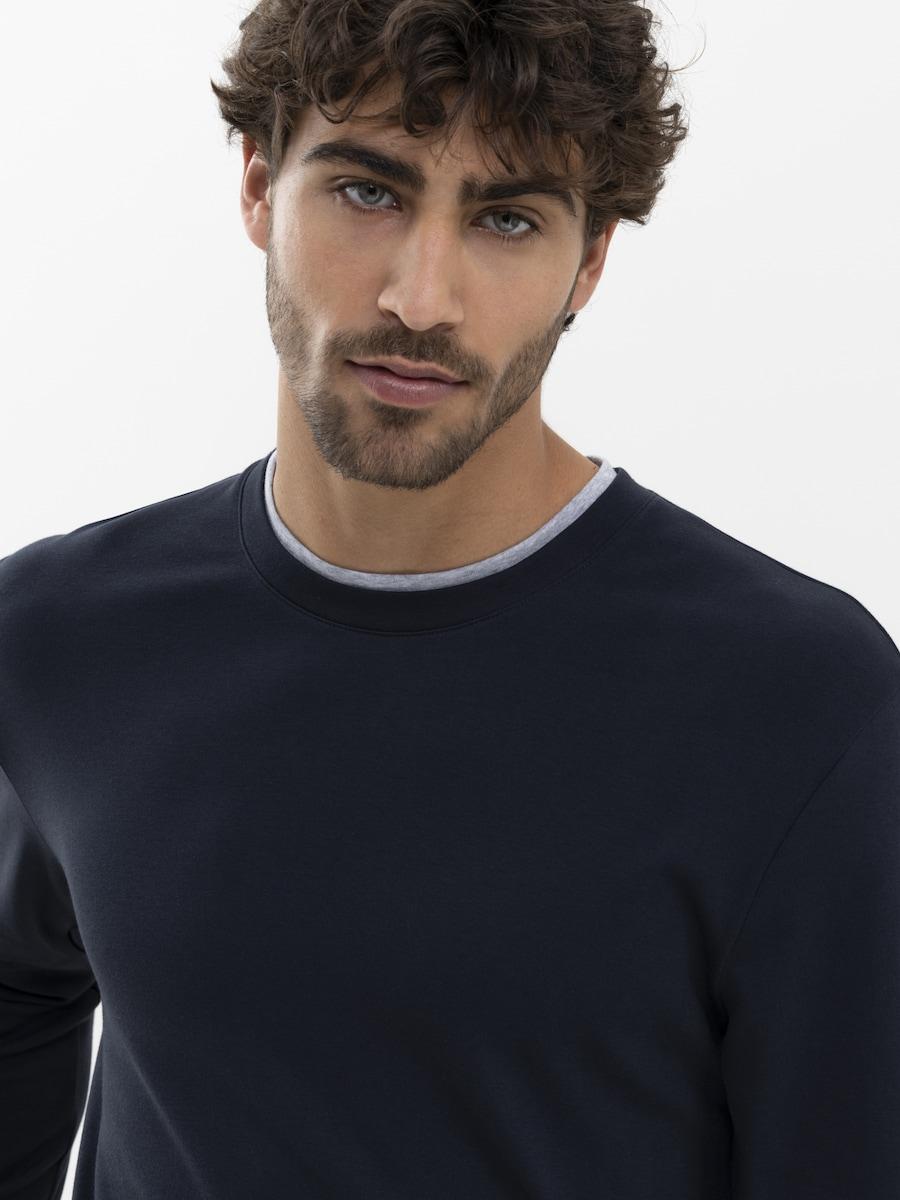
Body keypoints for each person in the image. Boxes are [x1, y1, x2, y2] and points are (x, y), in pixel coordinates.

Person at [1, 1, 898, 1197]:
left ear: (589, 263)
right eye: (368, 192)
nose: (422, 299)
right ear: (260, 188)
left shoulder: (802, 705)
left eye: (506, 219)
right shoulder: (54, 640)